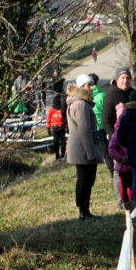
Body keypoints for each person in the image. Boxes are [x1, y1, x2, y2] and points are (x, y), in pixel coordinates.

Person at [66, 75, 103, 220]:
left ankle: (83, 209)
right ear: (82, 87)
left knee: (84, 179)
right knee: (86, 179)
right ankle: (83, 210)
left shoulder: (76, 103)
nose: (91, 88)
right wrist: (91, 153)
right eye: (88, 85)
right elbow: (84, 130)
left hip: (80, 147)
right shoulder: (81, 104)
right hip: (83, 148)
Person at [46, 93, 65, 161]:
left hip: (61, 127)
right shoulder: (51, 109)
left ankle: (62, 155)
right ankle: (57, 155)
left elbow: (65, 117)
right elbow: (48, 119)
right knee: (56, 142)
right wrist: (48, 127)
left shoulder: (62, 108)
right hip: (55, 127)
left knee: (62, 142)